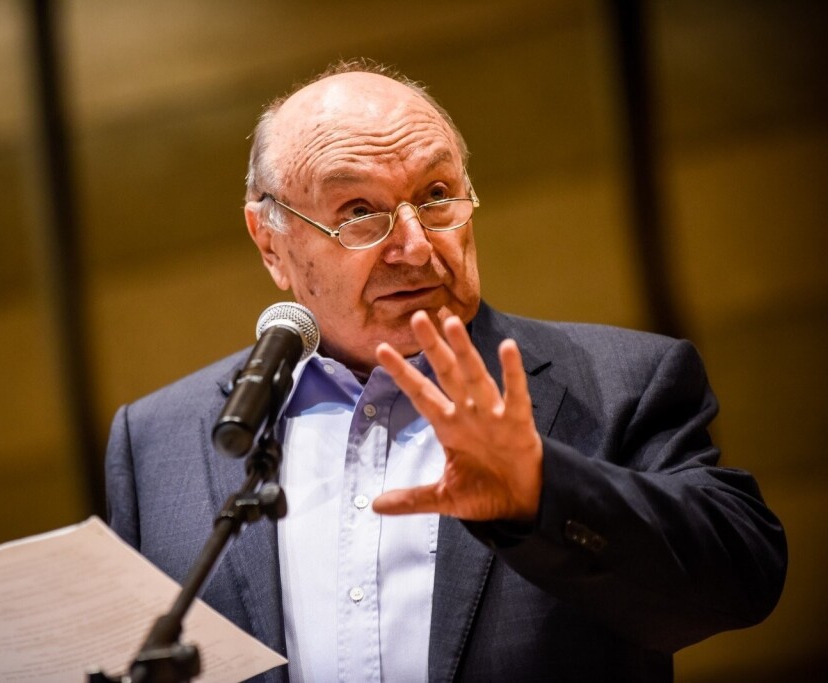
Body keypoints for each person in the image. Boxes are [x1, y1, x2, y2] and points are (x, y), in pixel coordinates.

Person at [105, 60, 787, 682]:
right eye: (359, 212)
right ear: (271, 244)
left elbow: (744, 577)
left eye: (436, 195)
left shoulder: (620, 382)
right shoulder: (159, 441)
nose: (414, 244)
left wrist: (540, 494)